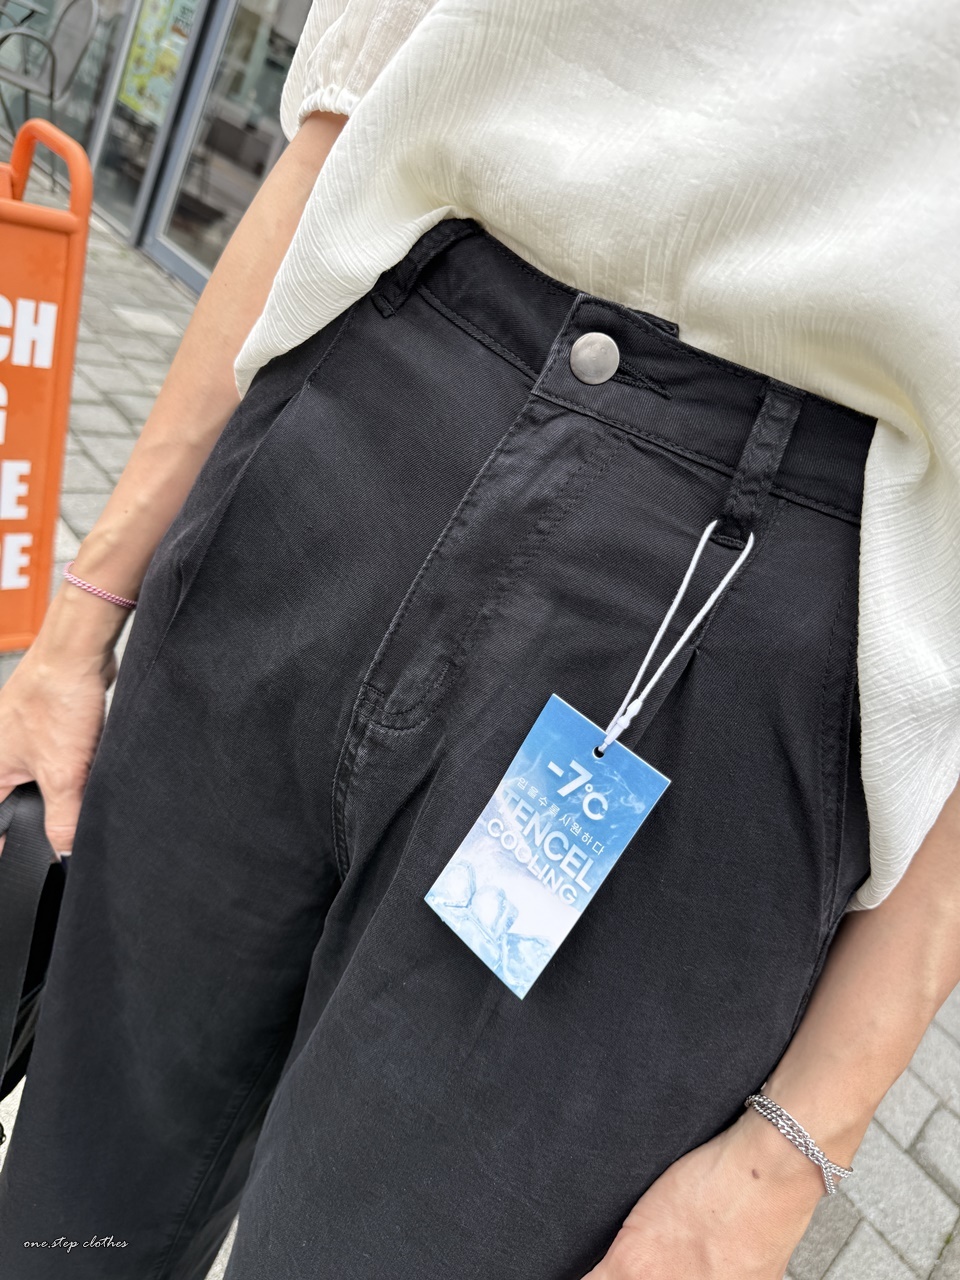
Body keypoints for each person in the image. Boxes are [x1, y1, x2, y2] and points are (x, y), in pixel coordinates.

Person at [1, 2, 958, 1277]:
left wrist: (796, 1143)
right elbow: (346, 104)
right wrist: (75, 629)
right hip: (358, 400)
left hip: (738, 630)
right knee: (68, 1218)